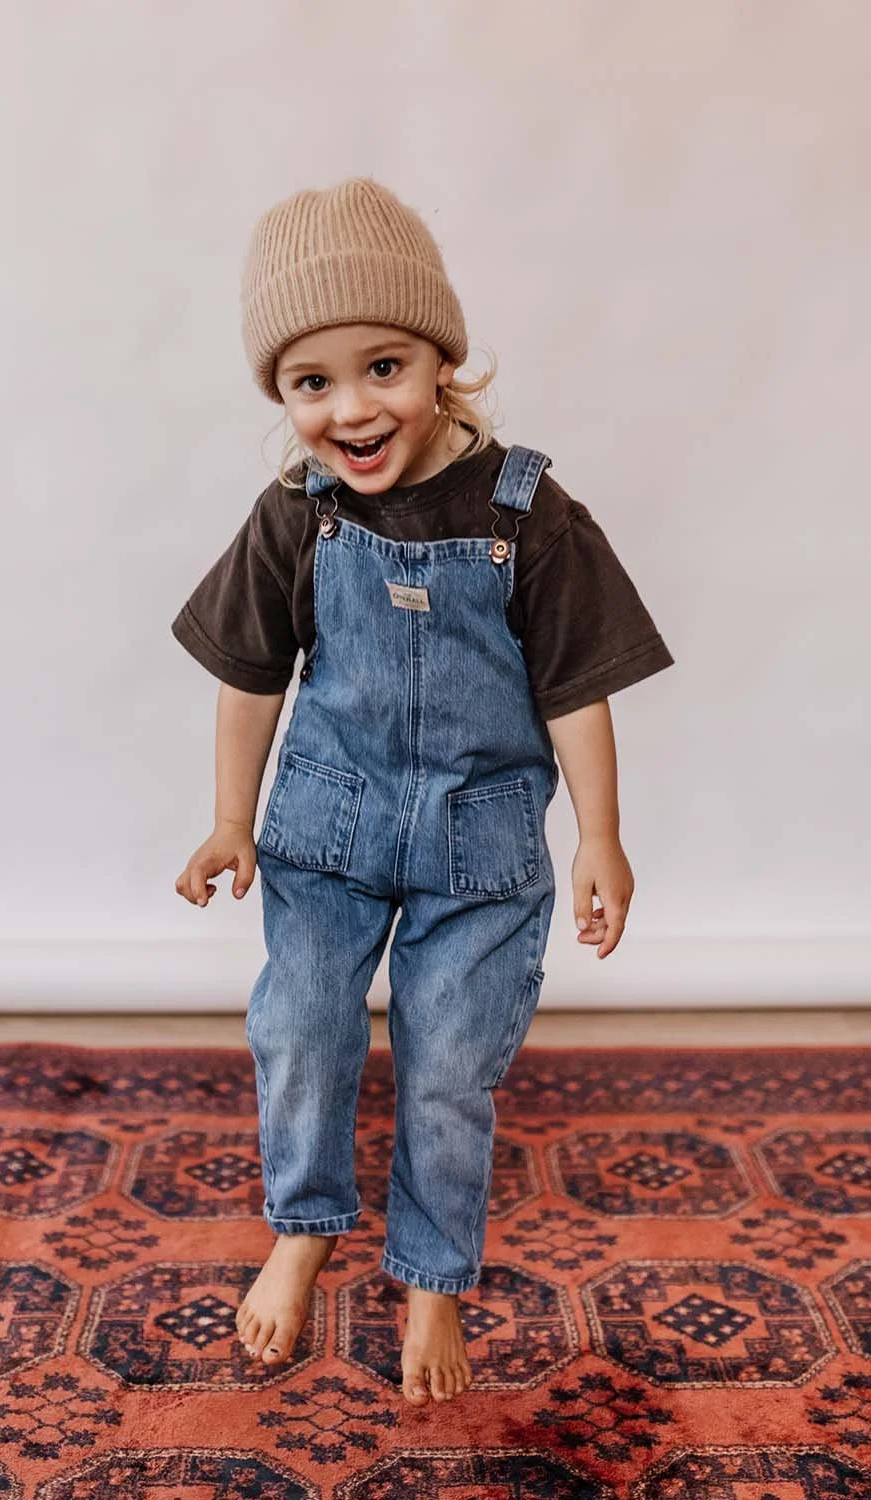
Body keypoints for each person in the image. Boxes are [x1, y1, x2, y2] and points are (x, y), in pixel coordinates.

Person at [172, 177, 675, 1406]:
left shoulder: (528, 516)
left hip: (481, 849)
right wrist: (233, 818)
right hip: (327, 827)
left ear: (440, 358)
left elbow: (576, 689)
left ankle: (433, 1276)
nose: (352, 408)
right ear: (282, 396)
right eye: (310, 383)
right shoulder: (296, 518)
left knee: (451, 1066)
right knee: (301, 1025)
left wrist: (599, 835)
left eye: (383, 365)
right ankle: (304, 1226)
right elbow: (250, 679)